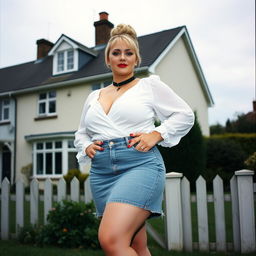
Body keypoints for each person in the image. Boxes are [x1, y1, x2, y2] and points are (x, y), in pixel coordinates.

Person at [74, 24, 194, 256]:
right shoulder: (93, 96)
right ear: (107, 59)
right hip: (101, 173)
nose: (122, 57)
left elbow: (184, 114)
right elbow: (81, 132)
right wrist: (86, 145)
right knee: (137, 245)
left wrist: (156, 134)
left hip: (139, 165)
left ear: (136, 59)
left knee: (111, 240)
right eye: (116, 52)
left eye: (128, 53)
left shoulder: (149, 86)